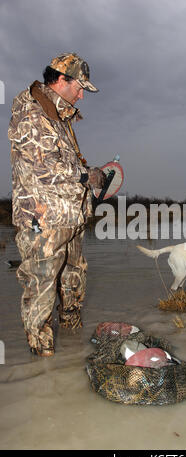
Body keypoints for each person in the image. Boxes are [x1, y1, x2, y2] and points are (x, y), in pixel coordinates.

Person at [8, 53, 106, 357]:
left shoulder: (59, 116)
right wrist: (87, 175)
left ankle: (73, 354)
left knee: (74, 277)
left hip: (69, 219)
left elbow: (65, 164)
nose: (81, 95)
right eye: (79, 87)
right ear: (61, 79)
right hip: (43, 223)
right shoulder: (32, 111)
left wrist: (86, 179)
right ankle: (44, 365)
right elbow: (44, 167)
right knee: (41, 289)